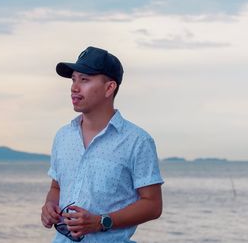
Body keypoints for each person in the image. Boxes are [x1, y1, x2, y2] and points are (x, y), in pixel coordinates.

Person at [41, 46, 164, 242]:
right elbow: (56, 187)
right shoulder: (63, 136)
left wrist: (101, 222)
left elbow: (153, 205)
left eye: (85, 79)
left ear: (109, 88)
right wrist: (49, 206)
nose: (74, 87)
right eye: (73, 79)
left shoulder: (137, 141)